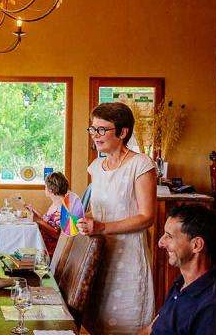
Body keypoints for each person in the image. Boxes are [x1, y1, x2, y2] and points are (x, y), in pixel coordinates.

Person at [77, 102, 157, 334]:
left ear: (123, 132)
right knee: (96, 323)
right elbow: (98, 211)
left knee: (125, 324)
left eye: (102, 130)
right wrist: (83, 220)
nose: (95, 135)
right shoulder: (96, 167)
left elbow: (146, 216)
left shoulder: (140, 165)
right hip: (100, 256)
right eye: (92, 129)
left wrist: (101, 226)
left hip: (129, 259)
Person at [138, 204, 216, 334]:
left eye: (169, 236)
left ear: (196, 245)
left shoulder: (210, 307)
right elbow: (151, 329)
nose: (160, 242)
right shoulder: (181, 283)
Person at [25, 172, 79, 255]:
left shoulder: (63, 207)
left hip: (52, 249)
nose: (45, 189)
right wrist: (35, 211)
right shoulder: (55, 203)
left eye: (45, 187)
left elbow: (59, 235)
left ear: (51, 190)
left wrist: (38, 220)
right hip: (43, 243)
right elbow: (48, 220)